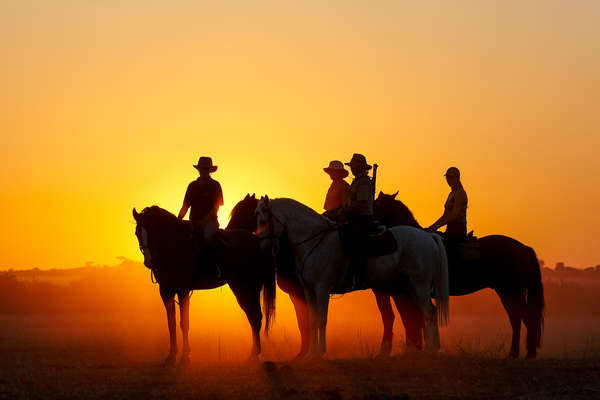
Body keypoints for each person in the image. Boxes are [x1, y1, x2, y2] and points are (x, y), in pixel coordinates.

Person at [178, 156, 224, 278]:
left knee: (208, 239)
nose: (204, 171)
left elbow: (216, 208)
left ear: (209, 170)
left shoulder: (215, 185)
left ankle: (216, 267)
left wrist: (203, 222)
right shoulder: (192, 186)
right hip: (193, 222)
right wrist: (177, 220)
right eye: (202, 168)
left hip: (210, 223)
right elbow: (185, 206)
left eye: (206, 169)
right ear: (199, 170)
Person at [340, 153, 374, 290]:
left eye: (355, 166)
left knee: (354, 242)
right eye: (352, 166)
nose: (352, 168)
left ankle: (358, 275)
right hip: (352, 217)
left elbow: (362, 203)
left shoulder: (364, 182)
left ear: (361, 167)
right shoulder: (357, 181)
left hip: (362, 218)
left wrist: (345, 208)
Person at [427, 167, 468, 259]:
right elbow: (445, 216)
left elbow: (454, 215)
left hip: (458, 230)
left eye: (451, 177)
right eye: (447, 177)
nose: (449, 180)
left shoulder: (460, 193)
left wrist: (436, 226)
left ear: (457, 177)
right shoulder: (451, 194)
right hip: (449, 229)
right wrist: (432, 226)